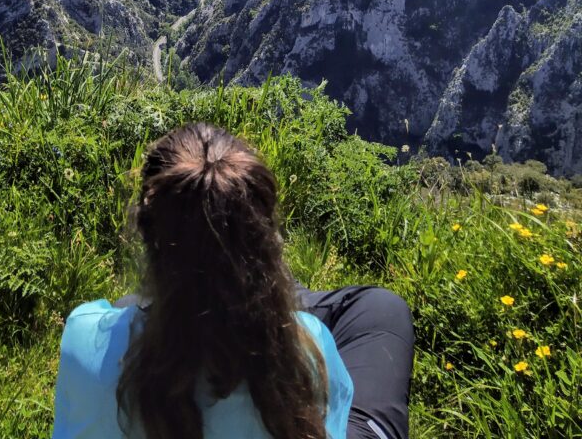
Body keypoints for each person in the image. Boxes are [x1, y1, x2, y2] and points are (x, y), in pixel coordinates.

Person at [52, 123, 414, 439]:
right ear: (266, 240)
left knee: (127, 308)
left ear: (147, 235)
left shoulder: (84, 340)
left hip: (155, 316)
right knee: (381, 309)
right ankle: (252, 280)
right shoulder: (308, 355)